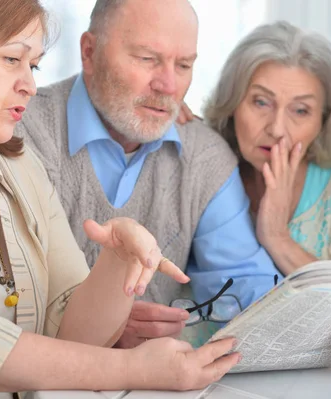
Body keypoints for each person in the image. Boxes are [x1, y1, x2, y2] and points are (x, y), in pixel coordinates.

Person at [0, 1, 241, 397]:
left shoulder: (16, 163)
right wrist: (134, 369)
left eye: (34, 66)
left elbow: (70, 330)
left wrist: (118, 260)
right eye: (12, 59)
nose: (29, 84)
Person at [15, 0, 280, 349]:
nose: (168, 85)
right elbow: (6, 302)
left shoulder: (204, 157)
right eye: (147, 59)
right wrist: (101, 323)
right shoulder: (20, 131)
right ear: (89, 52)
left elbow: (248, 288)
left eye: (183, 65)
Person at [198, 21, 331, 366]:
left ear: (323, 120)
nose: (277, 128)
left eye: (300, 110)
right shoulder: (206, 161)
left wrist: (277, 238)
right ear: (233, 102)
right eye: (261, 102)